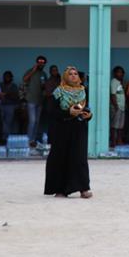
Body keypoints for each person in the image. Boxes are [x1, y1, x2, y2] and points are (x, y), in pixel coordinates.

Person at [44, 67, 92, 198]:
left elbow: (86, 108)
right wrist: (68, 112)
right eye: (70, 74)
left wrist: (88, 115)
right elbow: (51, 111)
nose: (73, 76)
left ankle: (83, 188)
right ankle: (60, 189)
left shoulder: (83, 91)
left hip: (79, 128)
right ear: (65, 77)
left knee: (80, 157)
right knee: (61, 157)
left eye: (75, 74)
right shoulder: (58, 91)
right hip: (62, 128)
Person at [22, 55, 48, 147]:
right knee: (32, 121)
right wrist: (33, 71)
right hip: (31, 100)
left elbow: (44, 87)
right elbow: (24, 79)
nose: (41, 64)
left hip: (40, 101)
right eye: (39, 62)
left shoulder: (44, 74)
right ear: (36, 62)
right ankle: (28, 140)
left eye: (43, 62)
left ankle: (33, 140)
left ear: (45, 64)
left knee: (37, 121)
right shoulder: (30, 71)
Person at [109, 66, 126, 148]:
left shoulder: (120, 82)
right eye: (119, 72)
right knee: (114, 125)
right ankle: (113, 142)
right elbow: (113, 95)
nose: (121, 74)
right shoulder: (114, 82)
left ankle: (119, 141)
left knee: (120, 126)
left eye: (122, 72)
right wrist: (116, 106)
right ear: (115, 73)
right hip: (117, 107)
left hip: (122, 107)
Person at [0, 71, 20, 139]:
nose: (6, 78)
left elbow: (16, 96)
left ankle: (6, 138)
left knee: (8, 122)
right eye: (5, 76)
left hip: (10, 106)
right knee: (1, 122)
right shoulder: (0, 85)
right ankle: (3, 137)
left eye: (8, 76)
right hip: (0, 105)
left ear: (11, 77)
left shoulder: (14, 86)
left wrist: (6, 94)